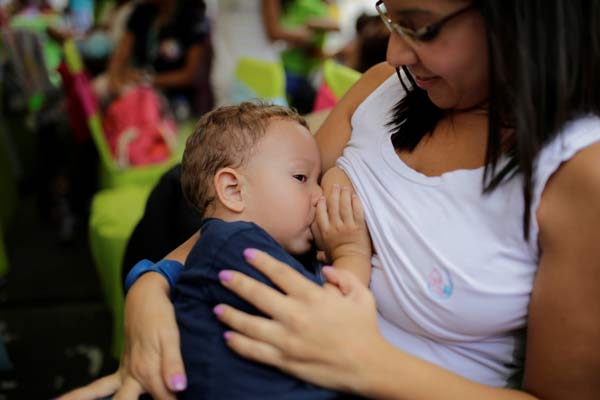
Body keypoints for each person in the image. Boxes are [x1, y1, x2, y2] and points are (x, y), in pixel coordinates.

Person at [59, 0, 600, 399]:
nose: (394, 51)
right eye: (391, 19)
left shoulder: (578, 173)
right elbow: (251, 216)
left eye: (419, 27)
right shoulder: (385, 88)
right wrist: (152, 284)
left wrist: (365, 361)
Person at [172, 102, 370, 398]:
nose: (319, 196)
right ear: (233, 190)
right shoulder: (235, 245)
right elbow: (333, 325)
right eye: (301, 178)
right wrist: (350, 251)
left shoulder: (229, 246)